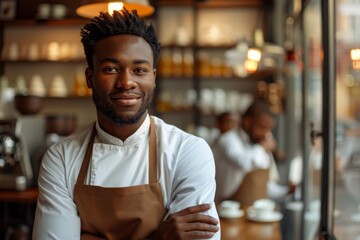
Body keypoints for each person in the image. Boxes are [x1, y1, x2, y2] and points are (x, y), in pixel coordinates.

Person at [32, 8, 220, 240]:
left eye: (139, 70)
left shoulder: (188, 151)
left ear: (153, 77)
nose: (126, 82)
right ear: (90, 78)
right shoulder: (61, 158)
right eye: (111, 69)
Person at [213, 100, 291, 204]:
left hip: (256, 212)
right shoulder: (227, 139)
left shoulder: (258, 146)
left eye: (269, 129)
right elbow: (244, 163)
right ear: (247, 122)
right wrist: (263, 147)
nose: (266, 133)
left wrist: (287, 191)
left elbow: (264, 186)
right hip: (227, 212)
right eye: (263, 127)